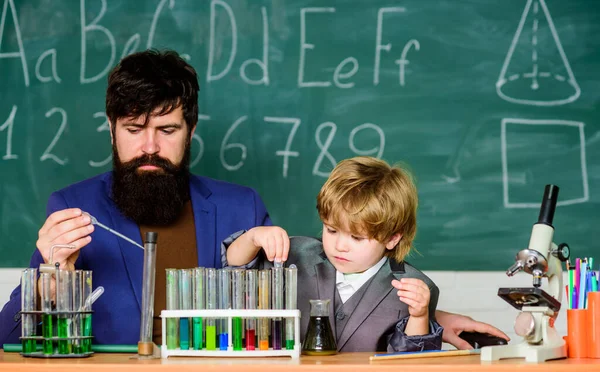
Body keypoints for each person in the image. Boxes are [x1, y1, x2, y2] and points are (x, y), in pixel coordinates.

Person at [0, 49, 508, 350]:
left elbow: (320, 299)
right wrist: (52, 274)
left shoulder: (242, 207)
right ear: (111, 130)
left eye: (167, 129)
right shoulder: (71, 206)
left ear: (191, 129)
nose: (149, 147)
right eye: (133, 129)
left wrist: (434, 321)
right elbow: (8, 336)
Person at [226, 156, 443, 352]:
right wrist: (252, 237)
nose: (340, 245)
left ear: (392, 238)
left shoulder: (415, 288)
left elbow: (412, 361)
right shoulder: (297, 255)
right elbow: (236, 268)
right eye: (331, 230)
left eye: (357, 238)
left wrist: (419, 316)